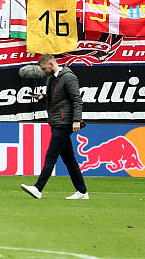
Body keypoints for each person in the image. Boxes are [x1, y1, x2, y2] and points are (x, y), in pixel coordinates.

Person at [19, 53, 90, 200]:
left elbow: (77, 100)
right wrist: (43, 98)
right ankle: (82, 191)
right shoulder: (52, 78)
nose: (43, 72)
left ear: (51, 64)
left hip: (64, 123)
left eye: (44, 69)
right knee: (69, 159)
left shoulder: (68, 77)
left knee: (51, 155)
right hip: (56, 121)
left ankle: (38, 188)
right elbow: (55, 101)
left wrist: (76, 120)